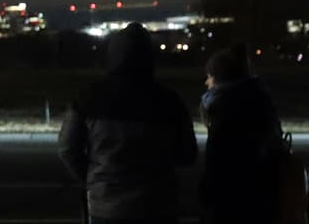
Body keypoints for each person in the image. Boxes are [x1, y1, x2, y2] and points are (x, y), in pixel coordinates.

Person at [58, 23, 197, 224]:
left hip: (106, 206)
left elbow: (67, 148)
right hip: (157, 205)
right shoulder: (169, 100)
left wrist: (92, 179)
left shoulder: (87, 98)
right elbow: (187, 154)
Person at [199, 43, 283, 224]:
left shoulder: (225, 110)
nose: (207, 83)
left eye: (210, 77)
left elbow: (217, 163)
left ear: (221, 79)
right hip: (264, 198)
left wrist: (207, 194)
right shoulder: (259, 102)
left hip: (231, 201)